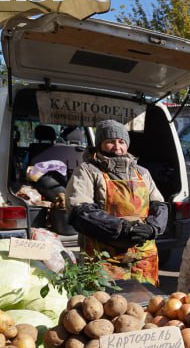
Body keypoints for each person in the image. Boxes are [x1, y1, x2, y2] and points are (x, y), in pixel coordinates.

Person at [65, 119, 168, 286]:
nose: (117, 147)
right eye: (110, 142)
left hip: (143, 259)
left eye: (121, 142)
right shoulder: (87, 171)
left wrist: (152, 228)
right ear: (100, 144)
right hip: (103, 259)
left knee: (146, 306)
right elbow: (79, 211)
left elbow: (159, 205)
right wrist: (121, 228)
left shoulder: (142, 172)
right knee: (105, 308)